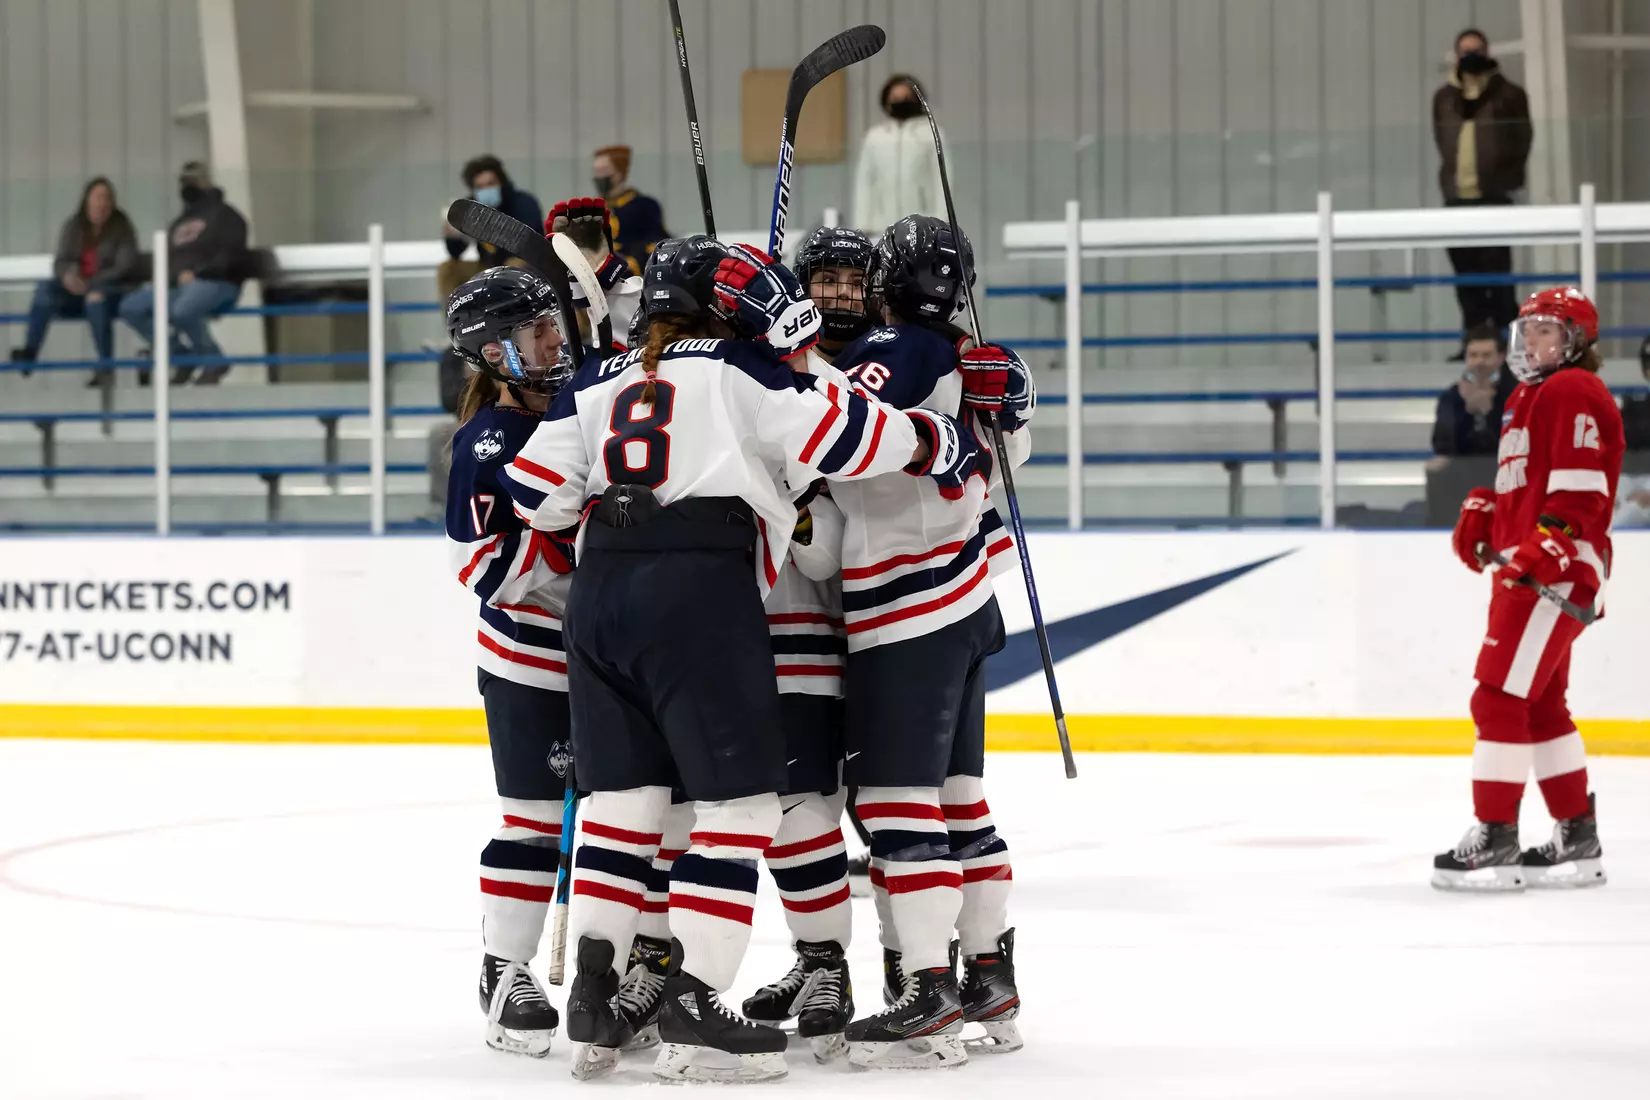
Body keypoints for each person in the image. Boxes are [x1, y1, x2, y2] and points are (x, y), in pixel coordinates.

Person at [496, 234, 983, 1083]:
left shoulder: (595, 376)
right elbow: (847, 439)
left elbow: (537, 495)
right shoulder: (743, 367)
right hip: (701, 589)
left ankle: (596, 993)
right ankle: (694, 999)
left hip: (601, 594)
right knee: (740, 809)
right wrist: (935, 441)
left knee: (623, 803)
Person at [825, 214, 1034, 1067]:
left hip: (906, 602)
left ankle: (927, 990)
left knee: (893, 802)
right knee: (959, 797)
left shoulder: (894, 348)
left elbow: (831, 438)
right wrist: (1014, 398)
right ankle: (989, 975)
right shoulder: (979, 358)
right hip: (966, 593)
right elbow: (1015, 450)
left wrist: (775, 357)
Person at [1436, 287, 1623, 892]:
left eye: (1548, 330)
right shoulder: (1527, 395)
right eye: (1528, 329)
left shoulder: (1573, 388)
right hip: (1533, 564)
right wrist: (1488, 509)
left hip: (1554, 570)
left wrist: (1552, 543)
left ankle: (1496, 834)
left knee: (1496, 699)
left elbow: (1582, 489)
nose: (1533, 340)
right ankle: (1576, 836)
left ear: (1576, 339)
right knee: (1539, 704)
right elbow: (1529, 484)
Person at [444, 266, 582, 1057]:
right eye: (537, 330)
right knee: (534, 823)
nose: (554, 340)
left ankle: (630, 965)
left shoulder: (578, 408)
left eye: (554, 325)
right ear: (494, 350)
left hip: (607, 657)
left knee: (631, 819)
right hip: (530, 663)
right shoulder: (487, 441)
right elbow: (482, 567)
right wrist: (572, 542)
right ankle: (505, 970)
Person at [1432, 29, 1532, 348]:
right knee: (1466, 278)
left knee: (1498, 275)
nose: (1471, 57)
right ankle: (1473, 343)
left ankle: (1508, 343)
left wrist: (1506, 177)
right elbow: (1442, 140)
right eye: (1465, 51)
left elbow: (1522, 140)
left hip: (1494, 197)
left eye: (1476, 50)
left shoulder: (1509, 95)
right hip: (1457, 198)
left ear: (1488, 53)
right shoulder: (1444, 98)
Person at [117, 161, 248, 386]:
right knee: (131, 307)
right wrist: (171, 277)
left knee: (183, 310)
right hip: (179, 287)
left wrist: (199, 273)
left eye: (194, 179)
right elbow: (168, 260)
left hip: (218, 283)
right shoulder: (178, 223)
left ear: (208, 181)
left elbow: (231, 255)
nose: (189, 185)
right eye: (185, 180)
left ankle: (214, 360)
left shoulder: (228, 216)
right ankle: (180, 355)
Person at [10, 177, 139, 386]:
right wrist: (68, 276)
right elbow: (60, 262)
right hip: (76, 291)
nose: (102, 203)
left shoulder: (121, 226)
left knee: (95, 301)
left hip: (110, 291)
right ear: (86, 201)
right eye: (97, 198)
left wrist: (92, 283)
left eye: (107, 198)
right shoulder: (74, 225)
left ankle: (106, 367)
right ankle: (29, 353)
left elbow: (125, 265)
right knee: (45, 288)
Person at [439, 155, 544, 300]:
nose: (486, 190)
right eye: (480, 187)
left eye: (490, 184)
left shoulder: (523, 202)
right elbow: (455, 253)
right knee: (448, 269)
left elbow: (528, 240)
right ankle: (455, 312)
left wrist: (485, 227)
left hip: (523, 266)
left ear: (502, 183)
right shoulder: (472, 208)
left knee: (513, 266)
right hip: (488, 267)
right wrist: (453, 236)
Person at [852, 76, 945, 238]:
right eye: (895, 97)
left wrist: (941, 224)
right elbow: (865, 182)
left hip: (922, 227)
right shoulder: (875, 137)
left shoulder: (931, 134)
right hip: (880, 227)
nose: (900, 102)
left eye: (906, 97)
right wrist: (863, 224)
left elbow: (941, 182)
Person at [1430, 324, 1518, 459]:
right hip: (1461, 468)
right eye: (1473, 355)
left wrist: (1490, 413)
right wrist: (1467, 412)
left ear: (1501, 357)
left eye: (1486, 355)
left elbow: (1517, 444)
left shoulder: (1516, 393)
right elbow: (1442, 445)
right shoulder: (1452, 396)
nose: (1479, 361)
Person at [591, 145, 668, 275]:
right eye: (596, 171)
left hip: (631, 274)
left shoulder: (644, 206)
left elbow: (655, 242)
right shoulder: (594, 208)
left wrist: (629, 263)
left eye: (603, 170)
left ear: (620, 172)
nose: (598, 176)